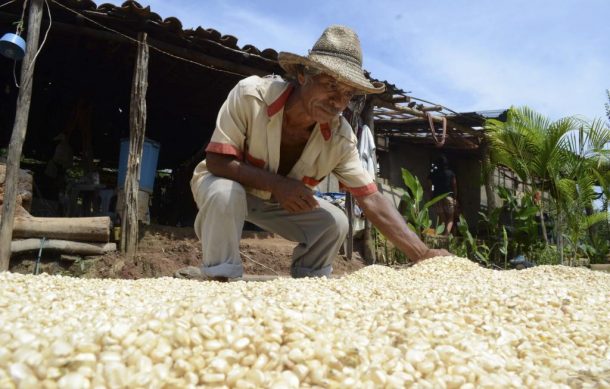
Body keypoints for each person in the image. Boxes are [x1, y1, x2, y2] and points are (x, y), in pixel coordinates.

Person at [182, 25, 450, 281]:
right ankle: (220, 278)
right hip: (226, 188)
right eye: (331, 85)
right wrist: (279, 185)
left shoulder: (341, 138)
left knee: (335, 222)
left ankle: (309, 283)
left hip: (274, 205)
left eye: (348, 94)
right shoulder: (251, 95)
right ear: (303, 75)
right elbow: (218, 161)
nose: (338, 102)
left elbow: (371, 199)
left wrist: (423, 254)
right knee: (225, 194)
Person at [427, 155, 458, 235]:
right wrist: (454, 198)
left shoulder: (433, 174)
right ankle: (445, 237)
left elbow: (431, 187)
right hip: (448, 197)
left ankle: (443, 237)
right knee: (450, 218)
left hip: (437, 198)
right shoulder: (451, 173)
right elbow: (454, 186)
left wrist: (431, 198)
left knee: (442, 219)